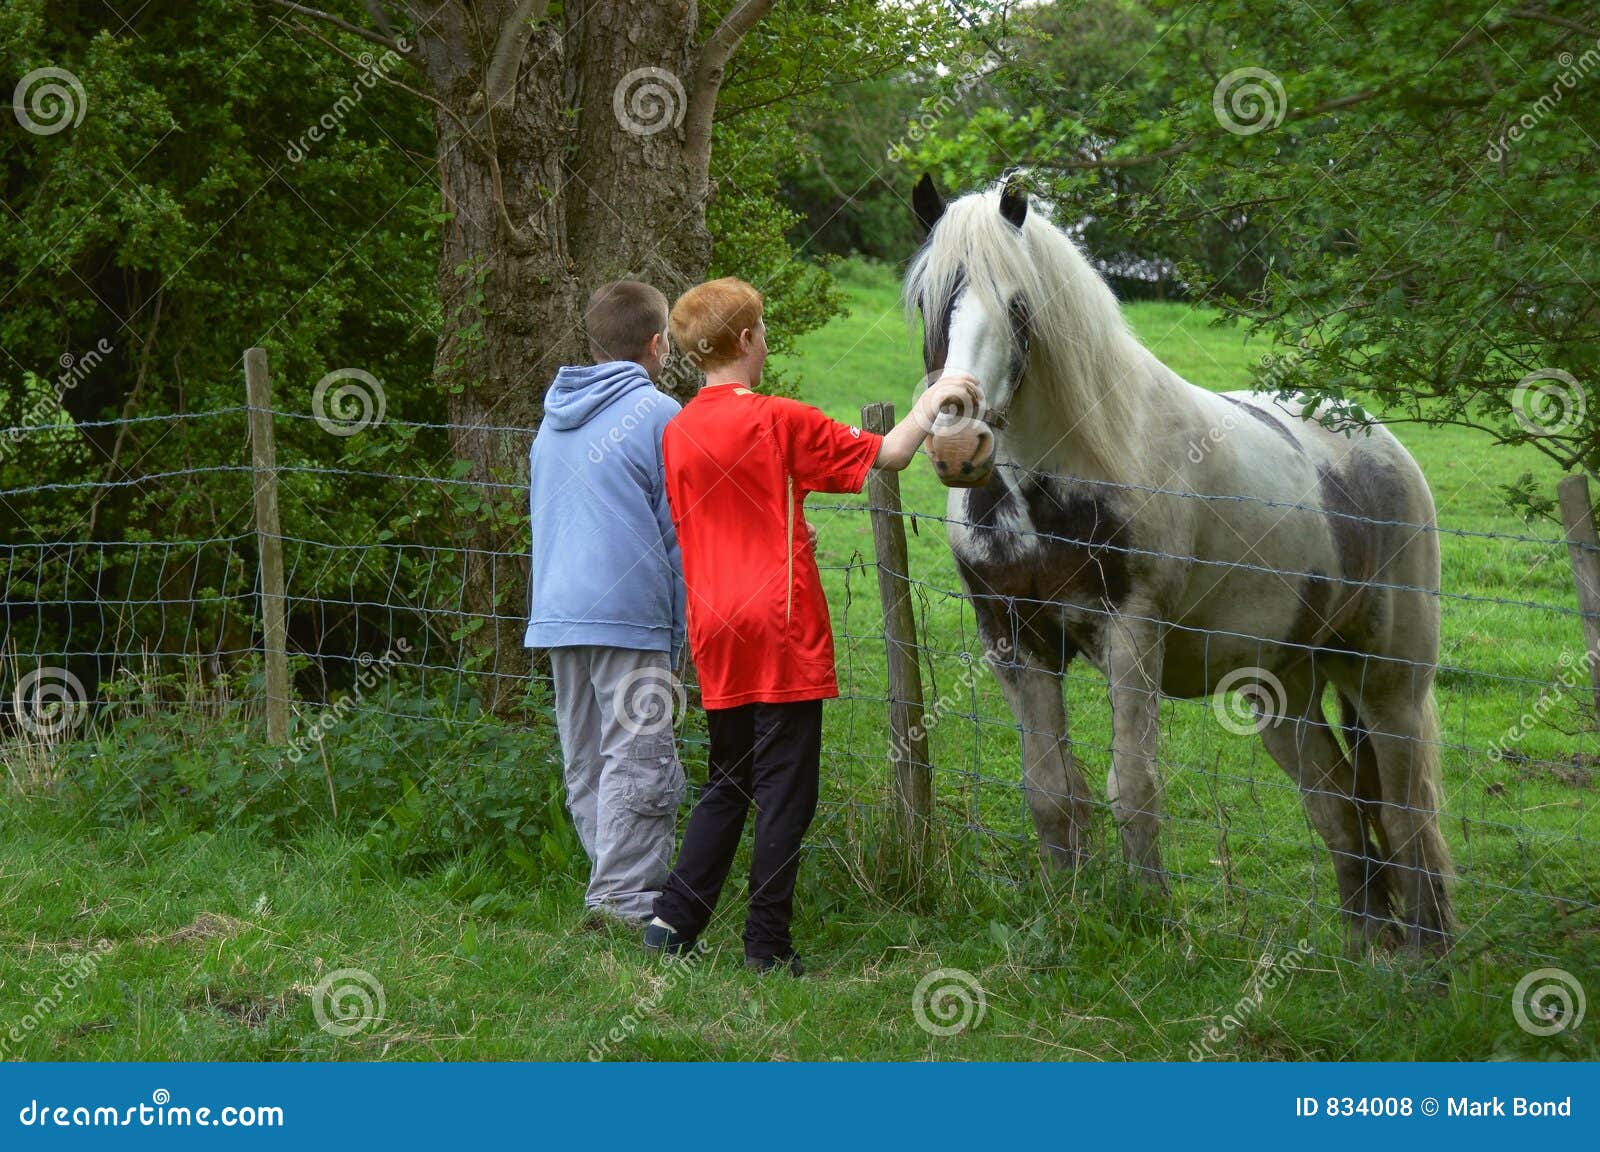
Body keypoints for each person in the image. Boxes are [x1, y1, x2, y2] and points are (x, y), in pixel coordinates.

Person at [643, 277, 979, 974]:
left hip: (713, 623)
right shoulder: (776, 419)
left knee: (727, 777)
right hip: (780, 624)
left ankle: (673, 923)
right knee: (786, 790)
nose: (765, 342)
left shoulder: (677, 431)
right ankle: (767, 946)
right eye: (761, 330)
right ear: (743, 341)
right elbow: (886, 454)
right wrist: (929, 402)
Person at [526, 280, 687, 928]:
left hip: (559, 613)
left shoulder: (553, 418)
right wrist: (680, 634)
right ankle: (626, 902)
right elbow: (680, 531)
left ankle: (610, 888)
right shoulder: (659, 415)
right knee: (640, 755)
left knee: (587, 755)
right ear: (655, 344)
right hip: (629, 611)